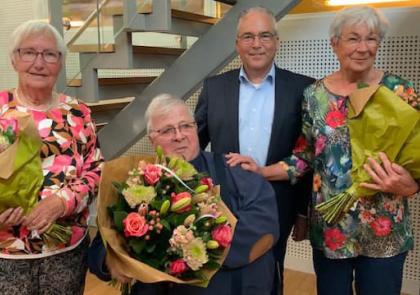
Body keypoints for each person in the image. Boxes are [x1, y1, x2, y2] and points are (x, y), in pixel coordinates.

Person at [233, 6, 420, 295]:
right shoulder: (315, 95)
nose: (362, 48)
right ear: (334, 44)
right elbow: (304, 156)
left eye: (371, 39)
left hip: (385, 228)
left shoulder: (400, 91)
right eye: (353, 39)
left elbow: (416, 157)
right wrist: (261, 171)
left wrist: (409, 185)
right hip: (332, 230)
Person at [88, 93, 279, 295]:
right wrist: (111, 260)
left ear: (196, 129)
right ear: (152, 139)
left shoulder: (234, 170)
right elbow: (100, 248)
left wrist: (189, 248)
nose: (179, 135)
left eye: (186, 126)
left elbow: (265, 224)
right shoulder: (135, 184)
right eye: (167, 130)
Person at [194, 6, 314, 294]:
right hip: (221, 204)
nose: (256, 44)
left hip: (278, 203)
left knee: (270, 274)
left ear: (276, 41)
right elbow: (194, 147)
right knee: (219, 275)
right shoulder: (214, 87)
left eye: (264, 35)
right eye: (248, 36)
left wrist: (302, 212)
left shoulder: (303, 89)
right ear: (237, 44)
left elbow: (308, 156)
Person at [0, 20, 103, 294]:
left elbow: (94, 171)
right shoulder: (0, 109)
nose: (39, 62)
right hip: (6, 255)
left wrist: (61, 202)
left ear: (60, 62)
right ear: (14, 59)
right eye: (29, 52)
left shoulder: (79, 112)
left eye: (49, 54)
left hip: (66, 252)